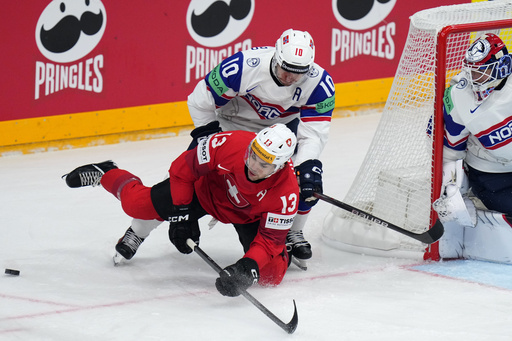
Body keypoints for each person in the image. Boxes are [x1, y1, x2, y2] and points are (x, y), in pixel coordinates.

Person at [63, 124, 299, 296]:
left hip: (248, 216)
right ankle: (107, 172)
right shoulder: (230, 143)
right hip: (203, 193)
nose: (253, 165)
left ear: (278, 167)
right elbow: (181, 169)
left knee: (271, 275)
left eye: (264, 163)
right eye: (253, 155)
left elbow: (268, 241)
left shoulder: (287, 194)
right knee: (134, 204)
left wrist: (247, 268)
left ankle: (283, 245)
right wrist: (182, 213)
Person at [186, 28, 335, 268]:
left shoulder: (320, 84)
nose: (289, 78)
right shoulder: (244, 66)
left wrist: (306, 165)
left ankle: (292, 232)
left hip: (278, 135)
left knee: (304, 180)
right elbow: (199, 99)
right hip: (230, 124)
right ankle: (139, 229)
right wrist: (209, 136)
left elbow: (314, 134)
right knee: (190, 170)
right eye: (285, 69)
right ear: (276, 56)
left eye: (298, 74)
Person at [434, 33, 512, 262]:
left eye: (481, 71)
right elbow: (452, 150)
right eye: (470, 70)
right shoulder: (459, 95)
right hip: (492, 177)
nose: (473, 78)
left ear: (501, 67)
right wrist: (451, 189)